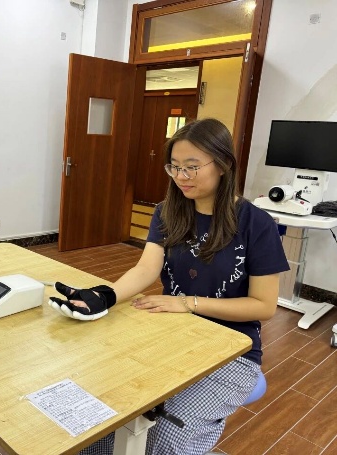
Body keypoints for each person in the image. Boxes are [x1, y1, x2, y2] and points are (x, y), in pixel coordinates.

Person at [49, 118, 289, 455]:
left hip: (232, 351)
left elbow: (264, 306)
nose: (181, 176)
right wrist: (106, 296)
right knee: (98, 422)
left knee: (164, 435)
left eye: (192, 167)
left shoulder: (256, 223)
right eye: (174, 167)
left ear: (223, 164)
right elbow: (147, 267)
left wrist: (188, 302)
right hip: (170, 334)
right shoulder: (167, 211)